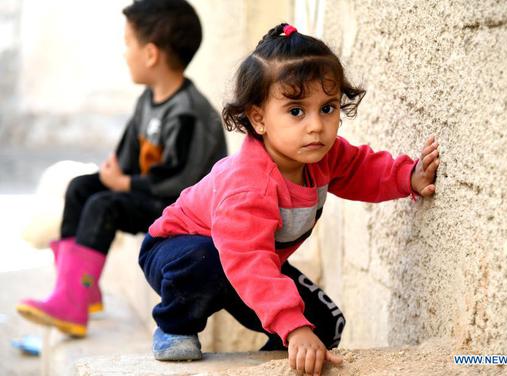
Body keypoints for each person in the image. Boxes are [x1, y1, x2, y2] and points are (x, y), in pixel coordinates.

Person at [139, 23, 440, 375]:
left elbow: (361, 169)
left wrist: (408, 177)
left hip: (251, 258)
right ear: (258, 118)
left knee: (324, 325)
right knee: (210, 260)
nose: (316, 126)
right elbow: (247, 260)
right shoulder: (247, 185)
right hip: (177, 253)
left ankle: (274, 360)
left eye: (327, 108)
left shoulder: (321, 156)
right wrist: (291, 326)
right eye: (296, 111)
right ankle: (175, 326)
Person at [17, 0, 227, 338]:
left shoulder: (190, 112)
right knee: (81, 188)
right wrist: (112, 175)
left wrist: (124, 184)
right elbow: (126, 159)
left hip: (184, 212)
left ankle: (73, 298)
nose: (124, 53)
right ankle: (78, 289)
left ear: (150, 54)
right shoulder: (148, 101)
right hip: (153, 197)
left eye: (128, 44)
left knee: (105, 205)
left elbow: (180, 180)